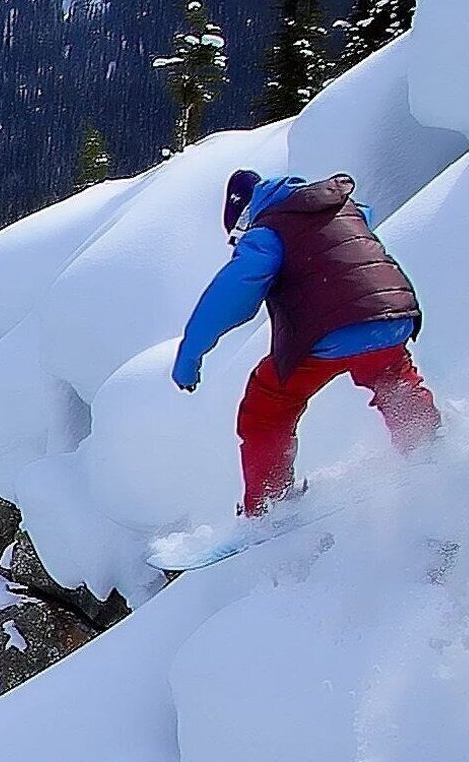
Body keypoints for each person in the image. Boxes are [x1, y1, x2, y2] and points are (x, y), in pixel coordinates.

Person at [173, 169, 439, 514]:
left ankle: (269, 504)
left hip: (331, 330)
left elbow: (233, 291)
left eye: (239, 232)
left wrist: (191, 352)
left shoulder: (269, 230)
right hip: (393, 317)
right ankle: (426, 445)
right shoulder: (340, 206)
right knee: (393, 378)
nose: (240, 241)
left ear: (247, 214)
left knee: (268, 405)